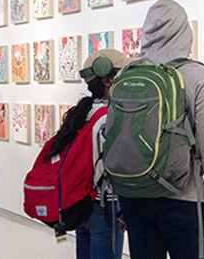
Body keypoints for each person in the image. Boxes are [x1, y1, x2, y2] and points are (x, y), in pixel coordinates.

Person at [117, 0, 204, 259]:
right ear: (184, 31)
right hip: (183, 197)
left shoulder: (127, 75)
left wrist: (121, 202)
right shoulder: (197, 76)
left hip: (134, 198)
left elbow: (116, 139)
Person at [49, 49, 130, 259]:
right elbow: (113, 166)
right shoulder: (110, 116)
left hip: (83, 204)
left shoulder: (84, 112)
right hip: (105, 207)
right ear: (108, 79)